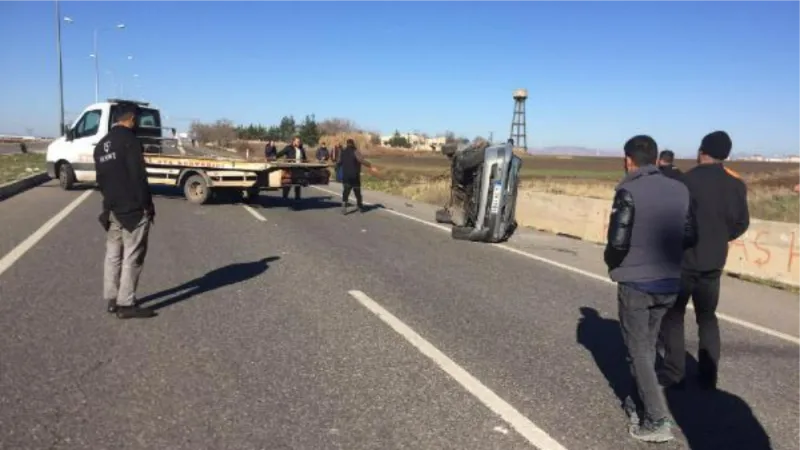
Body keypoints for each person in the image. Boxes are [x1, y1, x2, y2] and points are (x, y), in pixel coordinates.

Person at [604, 135, 696, 443]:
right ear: (656, 159)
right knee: (649, 346)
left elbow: (617, 240)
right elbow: (690, 232)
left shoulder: (628, 189)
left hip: (637, 283)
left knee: (639, 350)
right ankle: (643, 402)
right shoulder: (680, 189)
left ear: (629, 160)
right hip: (670, 281)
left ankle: (657, 419)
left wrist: (613, 263)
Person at [659, 130, 749, 391]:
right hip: (714, 261)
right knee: (707, 318)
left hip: (683, 260)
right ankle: (708, 375)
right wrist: (721, 237)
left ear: (702, 151)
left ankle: (675, 371)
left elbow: (671, 220)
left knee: (674, 316)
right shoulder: (736, 185)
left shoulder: (685, 181)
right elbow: (742, 223)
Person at [93, 102, 157, 319]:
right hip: (132, 210)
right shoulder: (130, 141)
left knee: (113, 255)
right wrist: (147, 205)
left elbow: (100, 180)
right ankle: (126, 304)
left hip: (111, 209)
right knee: (133, 256)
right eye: (136, 119)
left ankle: (112, 299)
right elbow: (138, 177)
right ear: (131, 119)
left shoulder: (101, 145)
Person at [339, 138, 378, 214]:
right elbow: (361, 160)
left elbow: (339, 162)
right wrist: (370, 166)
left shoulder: (343, 152)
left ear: (347, 144)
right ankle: (360, 206)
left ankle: (344, 206)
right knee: (357, 192)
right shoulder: (355, 151)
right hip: (354, 176)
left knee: (346, 192)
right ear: (353, 144)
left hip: (346, 176)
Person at [275, 136, 308, 200]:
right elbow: (280, 153)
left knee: (298, 182)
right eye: (297, 141)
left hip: (299, 168)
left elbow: (304, 158)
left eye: (299, 142)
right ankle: (285, 196)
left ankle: (297, 197)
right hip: (290, 168)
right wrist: (273, 157)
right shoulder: (289, 148)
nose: (299, 143)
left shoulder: (301, 149)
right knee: (288, 182)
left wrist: (305, 164)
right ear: (294, 142)